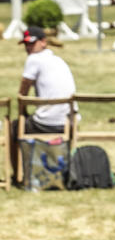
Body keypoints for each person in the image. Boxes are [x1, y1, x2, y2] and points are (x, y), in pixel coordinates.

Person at [10, 26, 78, 174]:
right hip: (70, 121)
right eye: (26, 44)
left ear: (43, 42)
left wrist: (23, 112)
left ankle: (18, 174)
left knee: (14, 127)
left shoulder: (34, 59)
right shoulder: (58, 60)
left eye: (31, 43)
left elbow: (22, 94)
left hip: (49, 123)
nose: (28, 47)